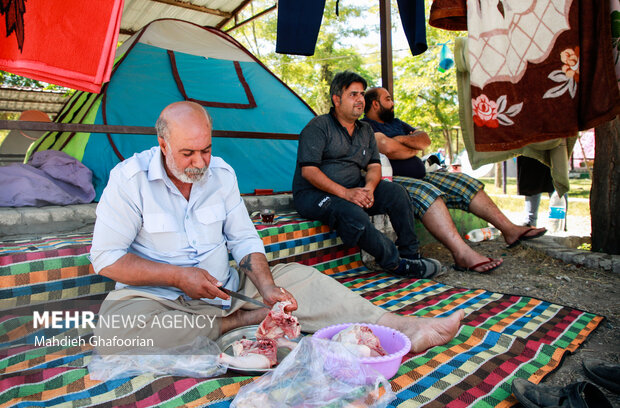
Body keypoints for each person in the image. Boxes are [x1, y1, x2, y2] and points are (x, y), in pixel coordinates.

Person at [90, 101, 464, 355]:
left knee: (300, 281)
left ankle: (402, 327)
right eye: (188, 153)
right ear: (162, 144)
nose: (200, 162)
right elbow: (106, 259)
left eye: (205, 149)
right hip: (156, 300)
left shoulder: (220, 173)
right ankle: (241, 322)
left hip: (227, 289)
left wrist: (266, 286)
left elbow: (243, 237)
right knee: (115, 331)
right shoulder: (129, 180)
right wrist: (176, 277)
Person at [362, 87, 547, 273]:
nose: (392, 103)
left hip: (423, 174)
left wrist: (400, 140)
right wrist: (410, 146)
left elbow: (424, 140)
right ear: (375, 104)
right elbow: (388, 147)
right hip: (394, 180)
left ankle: (510, 230)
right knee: (427, 193)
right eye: (388, 99)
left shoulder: (397, 123)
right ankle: (462, 254)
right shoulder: (367, 127)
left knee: (464, 182)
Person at [292, 71, 444, 279]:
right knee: (351, 212)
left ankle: (410, 254)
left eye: (362, 94)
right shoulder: (318, 127)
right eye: (353, 94)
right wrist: (346, 193)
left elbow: (374, 166)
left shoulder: (365, 130)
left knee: (396, 192)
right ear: (337, 99)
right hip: (315, 195)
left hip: (354, 188)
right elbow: (309, 171)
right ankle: (395, 263)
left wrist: (369, 189)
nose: (360, 100)